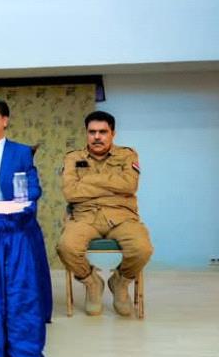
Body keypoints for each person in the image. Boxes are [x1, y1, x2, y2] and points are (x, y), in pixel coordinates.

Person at [57, 110, 152, 317]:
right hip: (84, 217)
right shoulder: (73, 157)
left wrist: (88, 181)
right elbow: (70, 192)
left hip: (121, 216)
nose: (97, 137)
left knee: (142, 249)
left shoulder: (127, 155)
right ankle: (92, 282)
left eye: (103, 132)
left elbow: (129, 185)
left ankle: (120, 282)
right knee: (66, 247)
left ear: (112, 134)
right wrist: (112, 185)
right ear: (86, 133)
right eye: (92, 132)